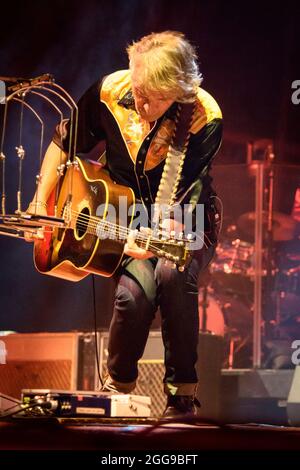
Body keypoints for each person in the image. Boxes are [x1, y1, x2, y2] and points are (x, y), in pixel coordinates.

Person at [27, 31, 223, 418]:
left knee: (172, 274)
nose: (142, 104)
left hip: (186, 217)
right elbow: (63, 141)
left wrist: (153, 237)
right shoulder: (110, 91)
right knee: (132, 296)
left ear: (180, 92)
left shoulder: (204, 116)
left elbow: (187, 195)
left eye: (155, 98)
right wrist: (39, 201)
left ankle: (182, 395)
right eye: (139, 91)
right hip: (123, 216)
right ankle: (119, 391)